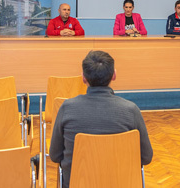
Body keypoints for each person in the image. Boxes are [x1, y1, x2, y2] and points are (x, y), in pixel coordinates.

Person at [49, 50, 153, 188]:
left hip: (78, 183)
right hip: (121, 183)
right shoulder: (131, 110)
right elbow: (146, 157)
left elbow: (55, 155)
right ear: (114, 75)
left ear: (83, 78)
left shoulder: (67, 108)